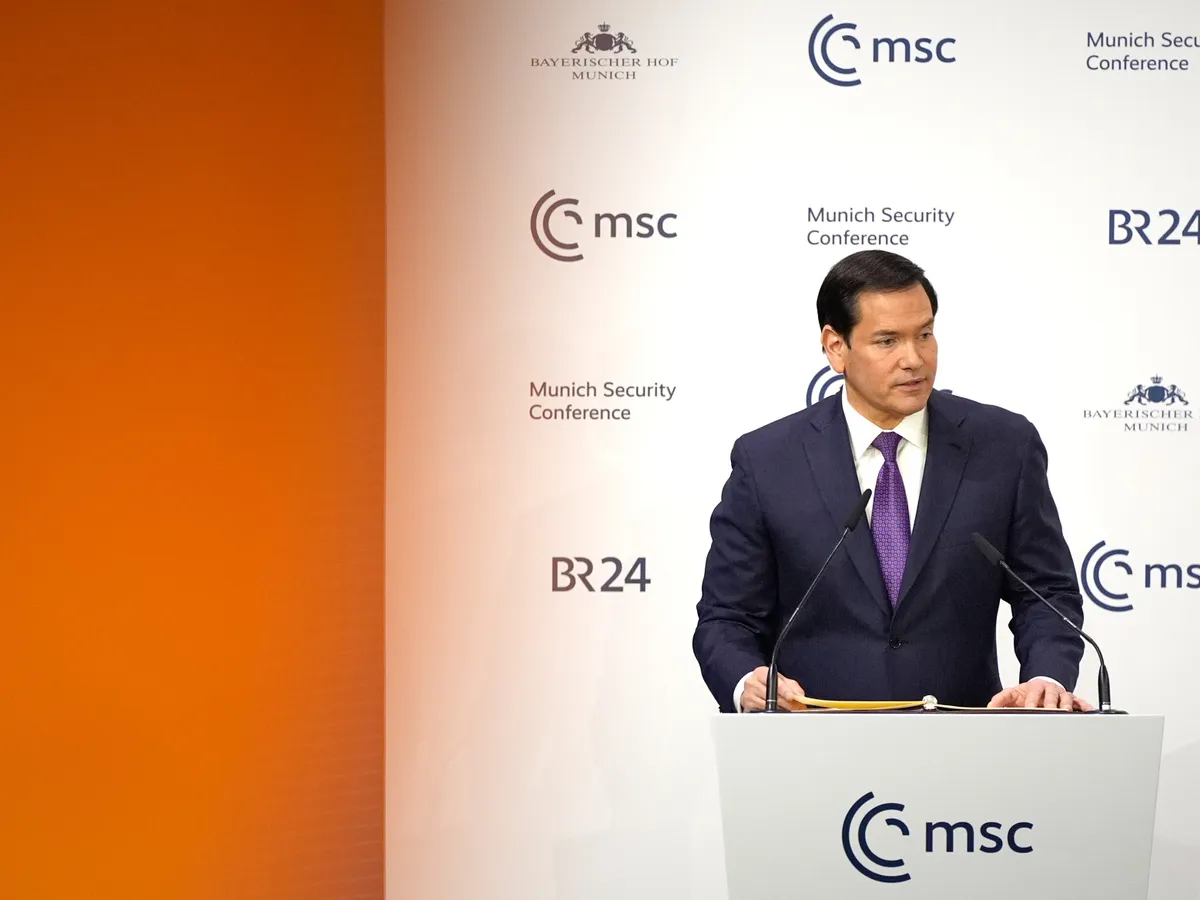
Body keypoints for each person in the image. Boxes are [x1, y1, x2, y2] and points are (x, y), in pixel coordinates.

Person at [692, 250, 1092, 713]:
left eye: (925, 334)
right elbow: (727, 618)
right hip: (811, 737)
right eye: (887, 341)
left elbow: (1046, 593)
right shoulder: (767, 460)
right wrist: (746, 681)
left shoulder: (1004, 446)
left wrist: (1045, 677)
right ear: (836, 347)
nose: (914, 359)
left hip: (964, 734)